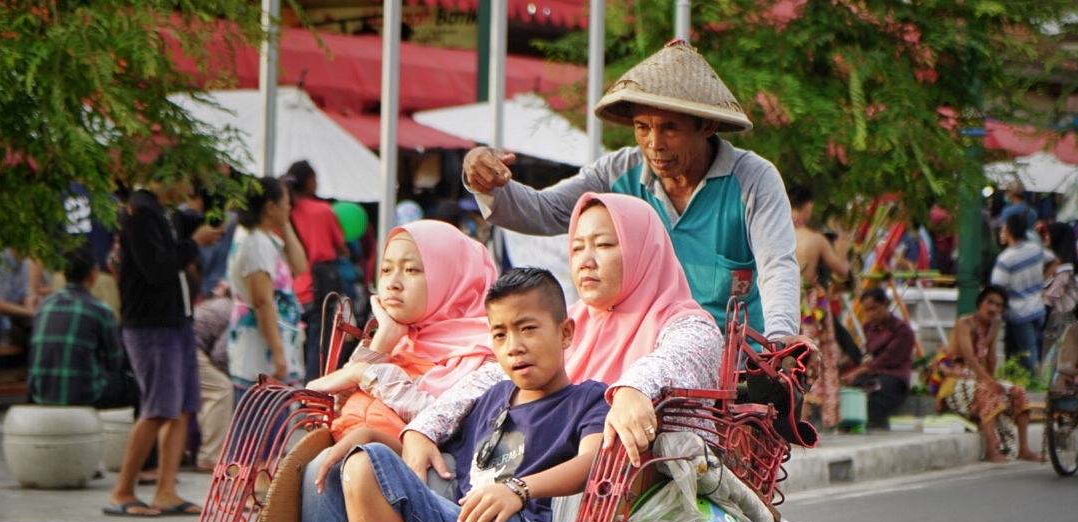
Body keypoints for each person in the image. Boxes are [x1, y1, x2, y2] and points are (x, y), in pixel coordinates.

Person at [302, 268, 609, 522]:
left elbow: (593, 462)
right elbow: (448, 470)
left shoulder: (588, 399)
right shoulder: (490, 400)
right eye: (500, 335)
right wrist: (375, 440)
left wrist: (518, 490)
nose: (514, 346)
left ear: (565, 333)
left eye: (527, 329)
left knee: (484, 516)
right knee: (364, 464)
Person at [460, 40, 801, 342]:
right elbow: (544, 212)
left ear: (706, 126)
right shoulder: (618, 172)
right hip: (646, 355)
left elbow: (777, 266)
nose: (654, 144)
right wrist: (483, 179)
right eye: (642, 128)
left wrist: (782, 340)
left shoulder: (753, 179)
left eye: (670, 129)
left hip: (737, 364)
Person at [399, 192, 722, 481]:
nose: (586, 261)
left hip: (641, 496)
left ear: (645, 251)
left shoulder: (688, 325)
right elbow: (494, 375)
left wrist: (633, 388)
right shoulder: (571, 323)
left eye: (605, 245)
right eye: (578, 247)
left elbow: (679, 357)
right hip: (541, 485)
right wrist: (424, 429)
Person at [304, 220, 499, 443]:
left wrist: (364, 373)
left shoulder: (488, 352)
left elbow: (446, 421)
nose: (392, 283)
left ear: (455, 278)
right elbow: (329, 413)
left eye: (411, 270)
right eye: (386, 269)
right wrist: (383, 342)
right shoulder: (402, 339)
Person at [105, 183, 222, 518]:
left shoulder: (166, 213)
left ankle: (166, 491)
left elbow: (208, 219)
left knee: (183, 407)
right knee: (157, 408)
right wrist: (194, 245)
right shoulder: (139, 212)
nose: (184, 184)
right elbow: (157, 268)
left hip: (177, 320)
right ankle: (122, 490)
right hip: (151, 324)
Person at [936, 285, 1039, 462]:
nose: (993, 308)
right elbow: (969, 357)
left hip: (977, 378)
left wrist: (992, 381)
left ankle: (1024, 449)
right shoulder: (965, 322)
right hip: (955, 379)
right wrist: (988, 383)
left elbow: (991, 358)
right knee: (988, 392)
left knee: (1018, 392)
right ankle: (991, 450)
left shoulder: (995, 326)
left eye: (998, 305)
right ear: (980, 303)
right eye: (989, 302)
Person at [27, 242, 135, 409]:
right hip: (85, 393)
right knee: (139, 387)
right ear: (93, 274)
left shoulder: (44, 306)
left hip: (40, 392)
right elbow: (115, 362)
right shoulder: (101, 310)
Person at [227, 175, 309, 395]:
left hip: (272, 347)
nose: (289, 207)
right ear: (270, 207)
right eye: (285, 202)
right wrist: (278, 353)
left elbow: (300, 265)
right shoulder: (255, 243)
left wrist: (284, 224)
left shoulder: (266, 238)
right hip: (261, 353)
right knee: (263, 424)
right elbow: (263, 302)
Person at [789, 182, 853, 429]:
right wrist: (842, 250)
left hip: (778, 301)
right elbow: (842, 272)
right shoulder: (815, 240)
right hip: (808, 307)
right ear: (808, 208)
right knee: (808, 359)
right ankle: (799, 423)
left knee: (787, 359)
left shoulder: (776, 233)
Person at [285, 160, 349, 374]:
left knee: (292, 342)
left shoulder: (285, 213)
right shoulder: (323, 210)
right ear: (310, 181)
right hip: (321, 286)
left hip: (292, 286)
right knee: (319, 343)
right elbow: (340, 244)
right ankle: (313, 393)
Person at [841, 287, 915, 428]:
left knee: (875, 391)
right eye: (867, 311)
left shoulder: (903, 331)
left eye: (874, 309)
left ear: (885, 304)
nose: (870, 314)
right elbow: (868, 354)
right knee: (854, 388)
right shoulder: (869, 327)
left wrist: (858, 371)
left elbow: (887, 359)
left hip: (894, 378)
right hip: (872, 374)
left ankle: (873, 425)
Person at [991, 211, 1052, 370]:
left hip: (1019, 312)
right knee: (1033, 349)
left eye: (1003, 229)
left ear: (1009, 232)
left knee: (1028, 354)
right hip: (1038, 307)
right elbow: (1054, 260)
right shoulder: (1035, 249)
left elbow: (997, 288)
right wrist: (1042, 280)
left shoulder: (1005, 259)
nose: (1001, 232)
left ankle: (1036, 385)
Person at [192, 294, 234, 470]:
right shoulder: (236, 310)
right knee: (222, 388)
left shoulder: (220, 304)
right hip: (192, 347)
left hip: (183, 342)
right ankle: (210, 455)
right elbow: (220, 356)